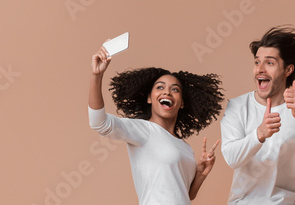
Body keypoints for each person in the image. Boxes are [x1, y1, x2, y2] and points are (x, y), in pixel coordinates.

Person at [88, 43, 224, 205]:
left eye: (175, 89)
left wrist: (200, 174)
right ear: (149, 98)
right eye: (160, 87)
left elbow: (185, 194)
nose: (167, 92)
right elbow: (99, 123)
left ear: (181, 103)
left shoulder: (185, 147)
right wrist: (97, 76)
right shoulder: (143, 130)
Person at [221, 25, 295, 204]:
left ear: (288, 70)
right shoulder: (237, 106)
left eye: (269, 63)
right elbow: (231, 159)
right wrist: (259, 134)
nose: (260, 69)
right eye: (256, 62)